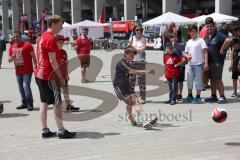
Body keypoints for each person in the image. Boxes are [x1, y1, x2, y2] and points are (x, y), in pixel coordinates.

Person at [35, 15, 76, 139]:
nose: (61, 27)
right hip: (50, 76)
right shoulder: (51, 39)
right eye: (59, 25)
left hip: (40, 74)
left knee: (44, 103)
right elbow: (53, 62)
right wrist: (61, 77)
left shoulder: (41, 37)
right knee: (57, 103)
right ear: (52, 24)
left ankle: (45, 130)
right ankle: (61, 131)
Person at [113, 46, 157, 128]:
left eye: (133, 56)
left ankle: (143, 119)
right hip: (119, 87)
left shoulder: (128, 62)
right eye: (131, 55)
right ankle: (133, 117)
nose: (132, 57)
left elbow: (130, 74)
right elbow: (133, 72)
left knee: (135, 100)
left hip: (127, 85)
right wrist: (147, 71)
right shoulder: (122, 63)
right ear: (125, 54)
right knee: (130, 102)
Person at [204, 17, 232, 104]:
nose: (209, 28)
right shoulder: (206, 37)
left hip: (217, 61)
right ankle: (213, 96)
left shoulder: (219, 34)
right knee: (212, 79)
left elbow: (228, 39)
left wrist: (222, 49)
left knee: (218, 79)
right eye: (207, 26)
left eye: (210, 26)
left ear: (214, 26)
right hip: (209, 61)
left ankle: (222, 96)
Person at [8, 31, 37, 111]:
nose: (16, 38)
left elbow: (33, 56)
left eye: (17, 36)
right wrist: (12, 57)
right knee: (21, 88)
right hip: (18, 71)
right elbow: (9, 60)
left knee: (25, 86)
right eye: (14, 37)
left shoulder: (27, 45)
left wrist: (35, 66)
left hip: (27, 70)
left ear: (21, 37)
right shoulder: (12, 47)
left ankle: (29, 103)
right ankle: (24, 103)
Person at [183, 24, 208, 104]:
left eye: (194, 31)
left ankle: (198, 97)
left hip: (199, 64)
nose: (192, 33)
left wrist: (206, 63)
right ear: (189, 33)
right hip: (190, 64)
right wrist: (187, 56)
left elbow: (205, 52)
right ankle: (190, 95)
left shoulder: (201, 40)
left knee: (198, 81)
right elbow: (185, 53)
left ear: (196, 32)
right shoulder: (188, 42)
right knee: (189, 81)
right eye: (191, 32)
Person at [55, 35, 80, 111]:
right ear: (55, 43)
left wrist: (67, 74)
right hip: (55, 76)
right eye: (59, 42)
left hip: (63, 75)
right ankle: (57, 107)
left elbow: (66, 64)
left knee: (66, 90)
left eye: (62, 42)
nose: (61, 44)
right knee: (56, 92)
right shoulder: (53, 52)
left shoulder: (63, 52)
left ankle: (68, 105)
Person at [128, 23, 147, 104]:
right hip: (132, 62)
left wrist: (134, 49)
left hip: (141, 62)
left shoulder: (143, 39)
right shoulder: (131, 38)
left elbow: (143, 49)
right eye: (137, 30)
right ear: (134, 30)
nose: (138, 31)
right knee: (131, 81)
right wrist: (137, 50)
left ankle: (143, 98)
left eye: (140, 30)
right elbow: (128, 49)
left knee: (141, 81)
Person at [169, 33, 186, 101]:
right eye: (172, 38)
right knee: (173, 81)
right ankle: (174, 94)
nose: (173, 39)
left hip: (181, 65)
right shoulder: (168, 46)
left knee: (180, 81)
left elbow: (183, 54)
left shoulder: (181, 45)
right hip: (173, 66)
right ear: (170, 39)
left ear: (177, 38)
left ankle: (180, 94)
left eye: (174, 37)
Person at [228, 25, 240, 97]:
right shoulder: (234, 39)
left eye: (234, 33)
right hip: (235, 60)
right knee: (234, 77)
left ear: (238, 31)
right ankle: (235, 91)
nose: (233, 35)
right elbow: (232, 51)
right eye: (232, 34)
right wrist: (231, 64)